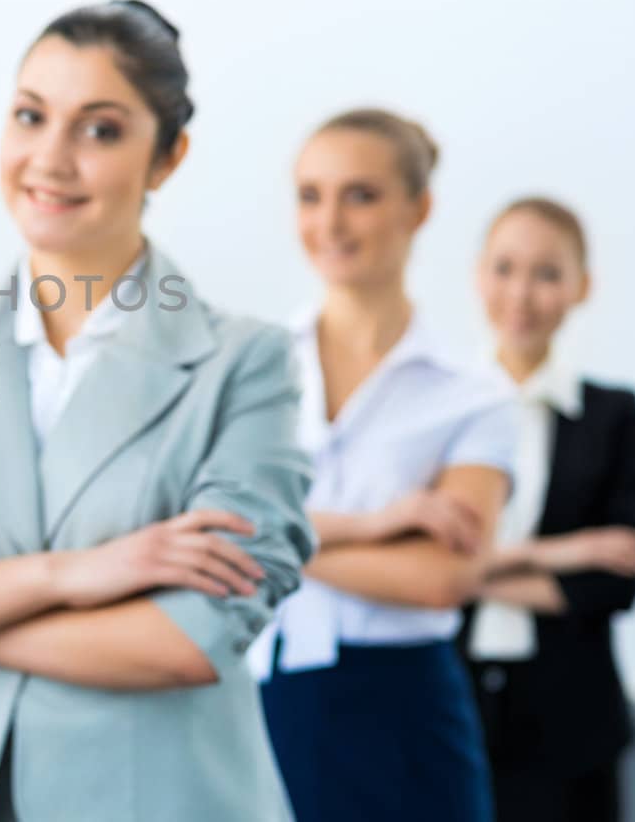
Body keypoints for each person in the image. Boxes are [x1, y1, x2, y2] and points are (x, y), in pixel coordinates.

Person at [0, 0, 314, 822]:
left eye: (100, 129)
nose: (51, 157)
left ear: (168, 157)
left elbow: (183, 642)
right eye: (30, 115)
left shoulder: (244, 364)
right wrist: (73, 575)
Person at [251, 107, 516, 822]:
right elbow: (197, 522)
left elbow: (441, 579)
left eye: (359, 195)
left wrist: (264, 537)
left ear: (418, 208)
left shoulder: (474, 395)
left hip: (401, 709)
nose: (329, 221)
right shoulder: (248, 365)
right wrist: (380, 526)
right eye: (311, 195)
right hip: (256, 702)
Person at [461, 197, 635, 822]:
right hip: (452, 697)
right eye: (505, 268)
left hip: (574, 714)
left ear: (581, 288)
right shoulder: (442, 407)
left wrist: (473, 570)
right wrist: (558, 553)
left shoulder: (614, 415)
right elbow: (416, 572)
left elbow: (612, 582)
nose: (521, 293)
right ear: (478, 275)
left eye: (547, 273)